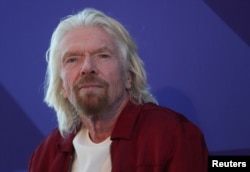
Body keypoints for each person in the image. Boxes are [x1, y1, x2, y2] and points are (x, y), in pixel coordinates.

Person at [28, 8, 208, 172]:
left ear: (128, 76)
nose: (87, 67)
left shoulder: (172, 134)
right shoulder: (46, 154)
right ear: (62, 86)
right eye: (72, 59)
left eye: (103, 55)